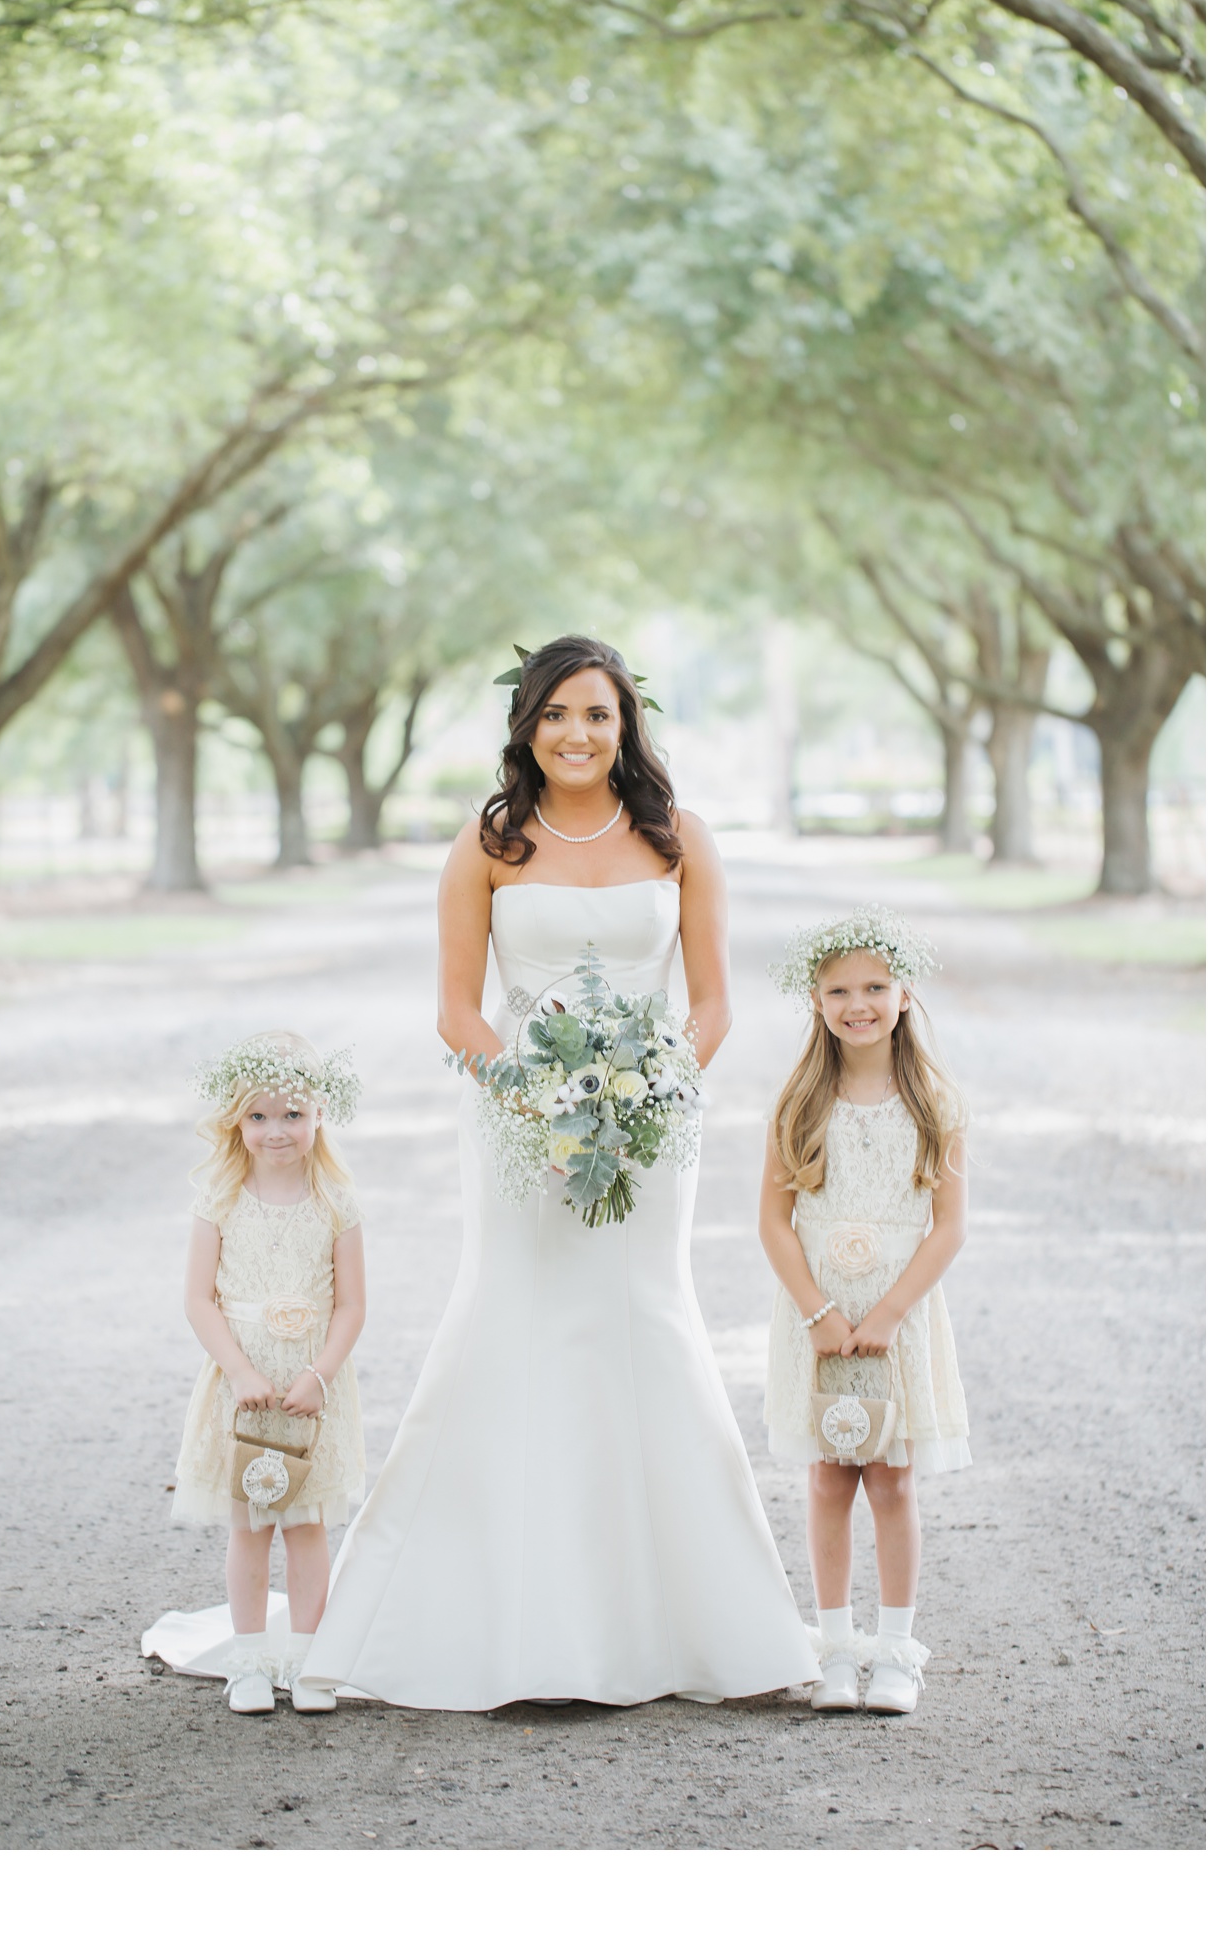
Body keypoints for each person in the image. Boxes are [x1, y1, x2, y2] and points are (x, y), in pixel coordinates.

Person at [298, 635, 818, 1708]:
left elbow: (713, 1001)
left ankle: (684, 1619)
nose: (577, 734)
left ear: (627, 726)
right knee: (516, 1317)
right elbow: (455, 1008)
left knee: (646, 1320)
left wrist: (649, 1085)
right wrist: (538, 1095)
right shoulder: (489, 842)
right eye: (556, 714)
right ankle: (498, 1613)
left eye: (598, 714)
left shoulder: (679, 839)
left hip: (651, 1127)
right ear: (526, 725)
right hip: (517, 1121)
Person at [761, 909, 970, 1715]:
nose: (859, 1003)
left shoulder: (934, 1103)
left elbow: (949, 1226)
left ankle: (893, 1650)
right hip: (818, 1319)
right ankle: (835, 1646)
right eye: (839, 989)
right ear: (814, 1001)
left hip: (897, 1317)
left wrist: (888, 1312)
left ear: (904, 993)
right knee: (826, 1477)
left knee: (890, 1477)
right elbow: (772, 1224)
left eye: (875, 987)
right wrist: (817, 1313)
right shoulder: (799, 1102)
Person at [142, 1030, 366, 1714]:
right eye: (260, 1116)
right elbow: (197, 1298)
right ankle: (247, 1662)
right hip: (244, 1391)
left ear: (319, 1117)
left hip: (308, 1391)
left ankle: (304, 1661)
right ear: (236, 1120)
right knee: (249, 1526)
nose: (276, 1131)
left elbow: (353, 1306)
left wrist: (320, 1375)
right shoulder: (219, 1201)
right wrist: (237, 1369)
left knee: (305, 1526)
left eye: (292, 1115)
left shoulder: (336, 1201)